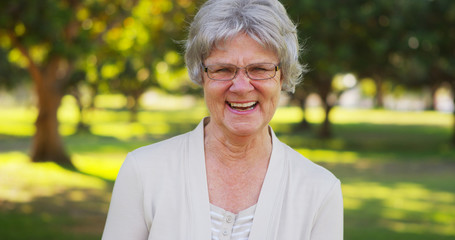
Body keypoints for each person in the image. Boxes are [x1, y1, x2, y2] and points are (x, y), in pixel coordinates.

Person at [102, 0, 343, 239]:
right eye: (223, 70)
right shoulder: (143, 172)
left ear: (282, 77)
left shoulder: (320, 191)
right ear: (201, 75)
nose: (240, 87)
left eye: (260, 69)